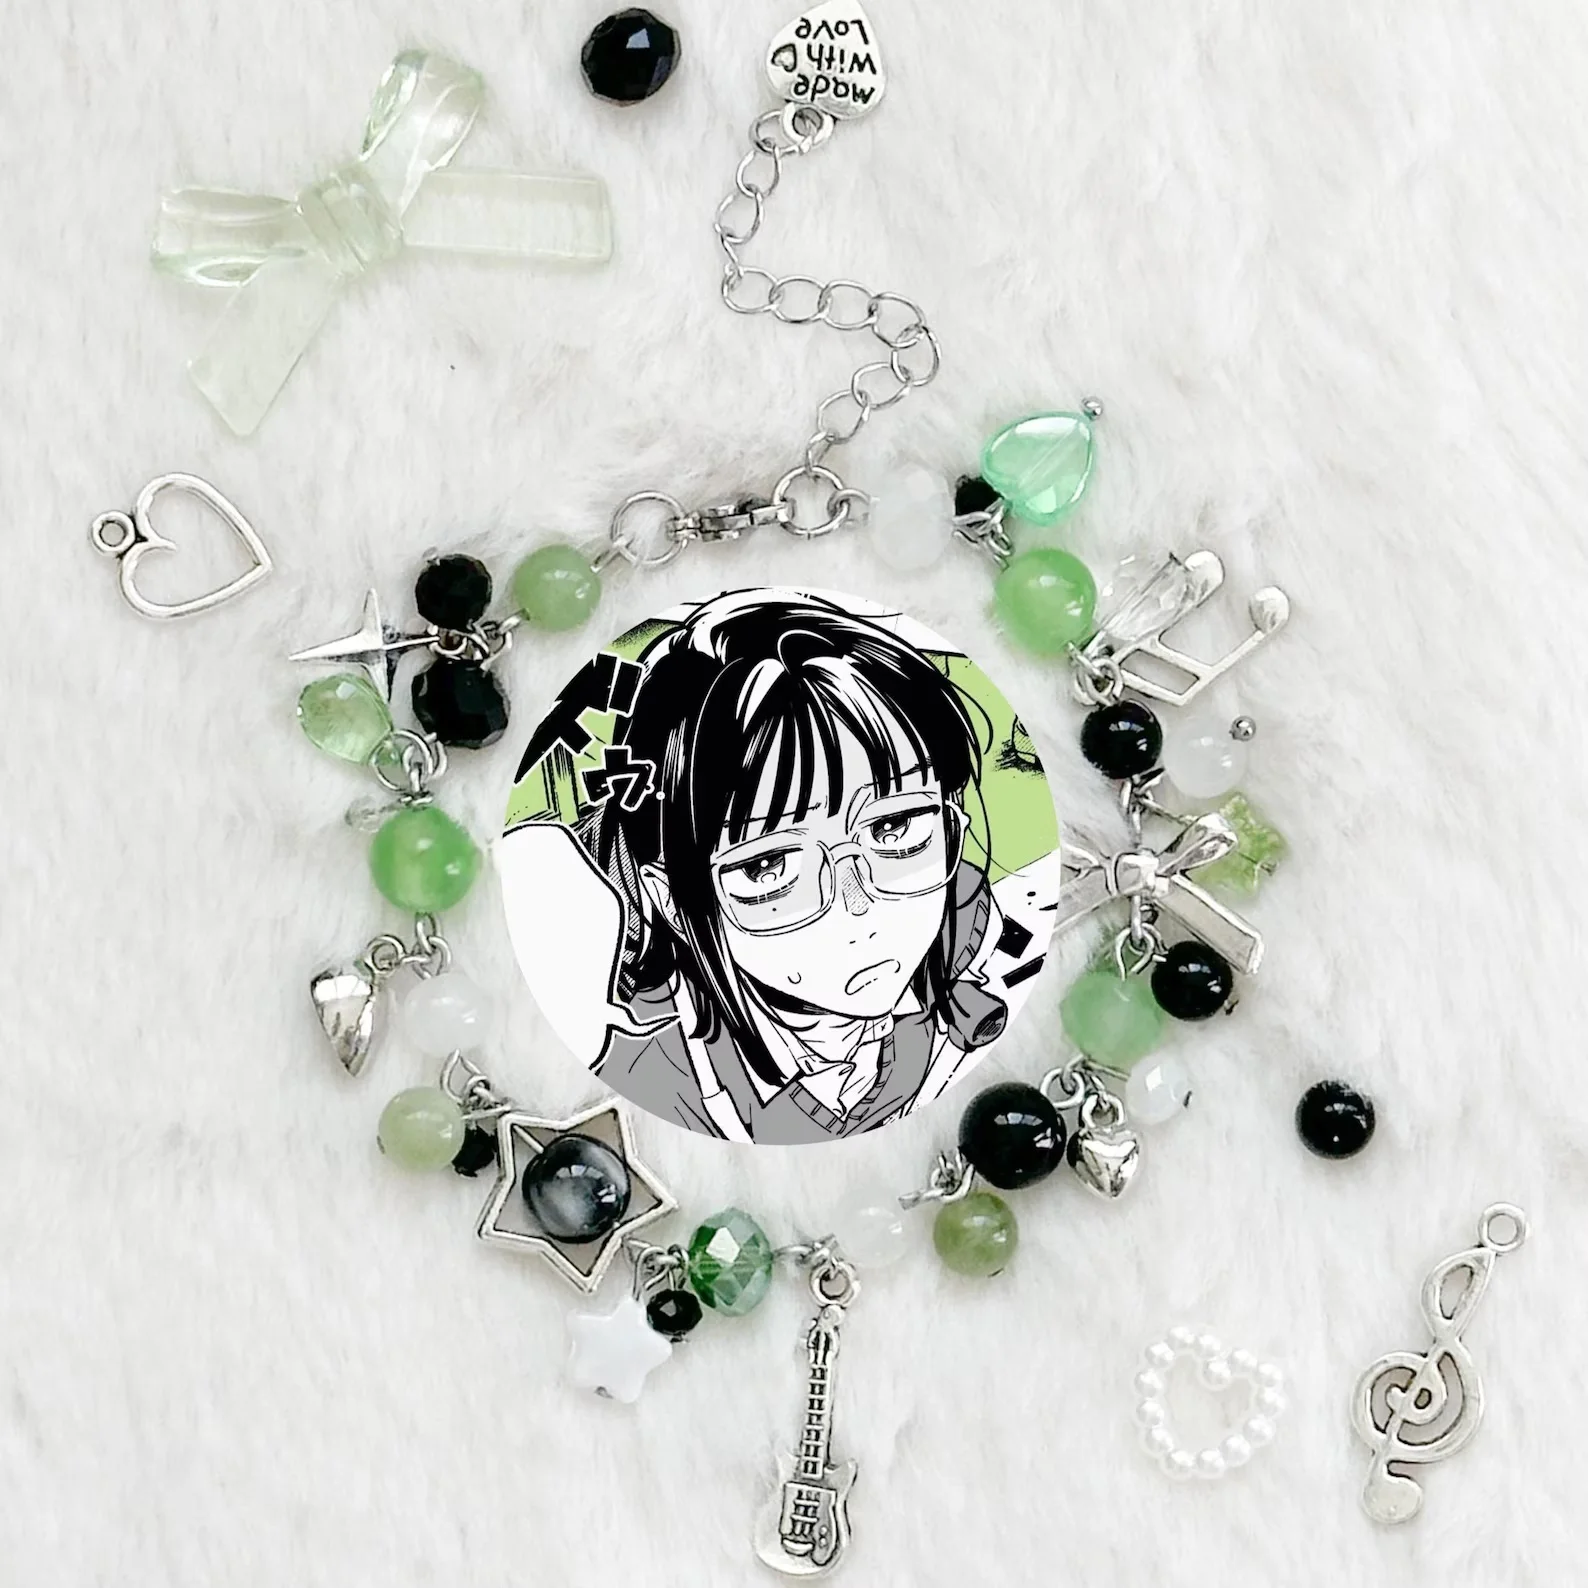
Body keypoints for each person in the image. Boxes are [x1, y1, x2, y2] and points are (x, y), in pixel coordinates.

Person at [564, 588, 1008, 1144]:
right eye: (768, 866)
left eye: (894, 827)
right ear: (672, 901)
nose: (859, 908)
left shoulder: (964, 923)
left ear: (952, 823)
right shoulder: (654, 1074)